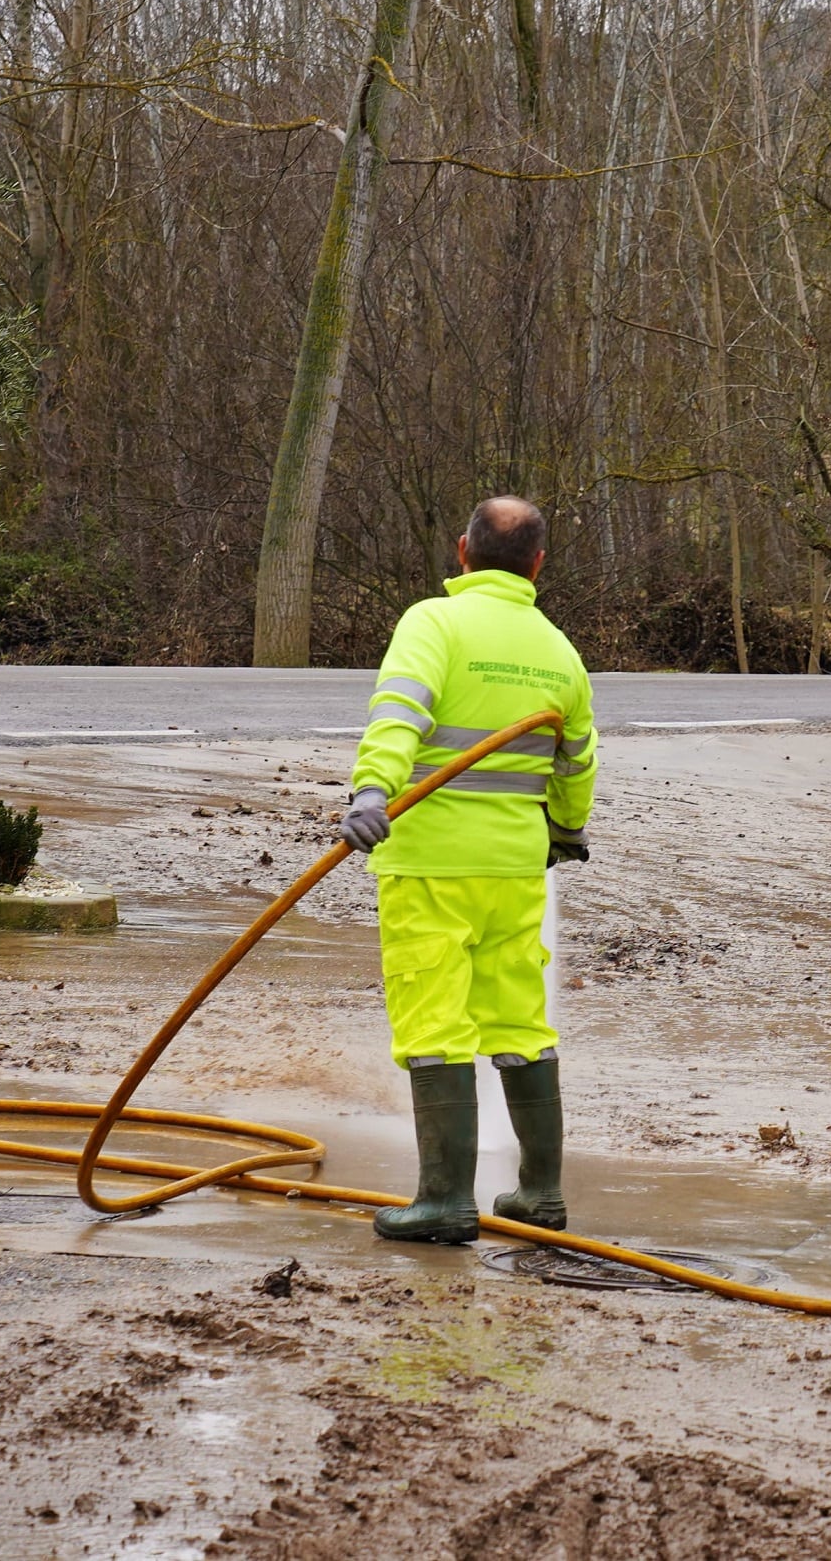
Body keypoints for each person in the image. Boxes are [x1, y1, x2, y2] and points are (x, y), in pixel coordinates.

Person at [337, 495, 598, 1244]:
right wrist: (567, 830)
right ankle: (539, 1193)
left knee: (435, 1022)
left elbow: (399, 713)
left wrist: (371, 791)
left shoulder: (433, 623)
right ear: (538, 564)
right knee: (520, 1017)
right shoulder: (559, 649)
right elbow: (577, 757)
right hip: (516, 869)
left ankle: (445, 1200)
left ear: (462, 551)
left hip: (428, 864)